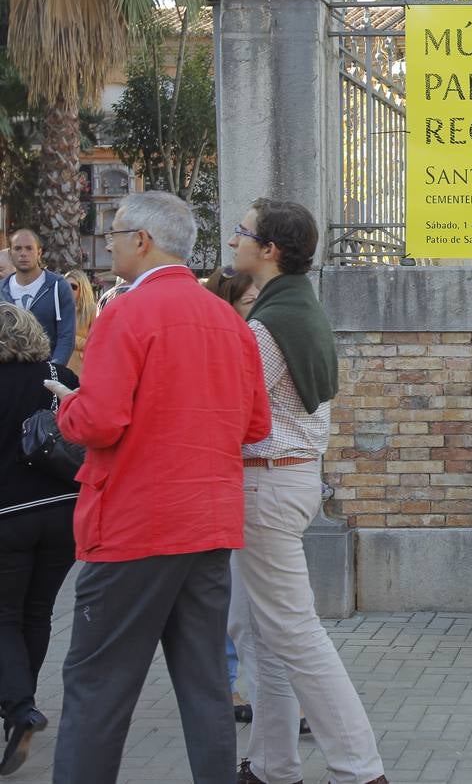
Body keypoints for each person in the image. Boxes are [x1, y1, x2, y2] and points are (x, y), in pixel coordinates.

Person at [45, 191, 271, 784]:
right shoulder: (231, 322)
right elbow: (255, 426)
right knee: (205, 686)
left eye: (116, 233)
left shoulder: (125, 313)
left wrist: (69, 409)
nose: (112, 243)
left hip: (133, 526)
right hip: (207, 524)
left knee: (97, 688)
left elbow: (98, 423)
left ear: (141, 241)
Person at [227, 199, 388, 784]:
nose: (233, 240)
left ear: (269, 250)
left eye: (243, 233)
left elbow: (230, 409)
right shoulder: (294, 305)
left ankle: (360, 769)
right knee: (256, 628)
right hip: (285, 479)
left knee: (293, 632)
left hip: (268, 485)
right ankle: (272, 765)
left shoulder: (268, 326)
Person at [0, 305, 79, 775]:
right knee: (37, 612)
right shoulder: (60, 372)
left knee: (3, 614)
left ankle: (20, 707)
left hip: (7, 516)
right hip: (64, 513)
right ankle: (19, 708)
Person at [202, 266, 260, 725]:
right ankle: (227, 684)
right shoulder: (224, 348)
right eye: (247, 302)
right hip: (221, 482)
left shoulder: (255, 342)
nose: (256, 308)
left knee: (241, 594)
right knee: (226, 591)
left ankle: (241, 683)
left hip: (243, 479)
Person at [0, 229, 75, 366]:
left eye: (29, 248)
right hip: (7, 374)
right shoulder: (2, 289)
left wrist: (54, 371)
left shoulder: (58, 287)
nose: (23, 253)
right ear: (10, 254)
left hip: (45, 372)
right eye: (18, 249)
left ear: (39, 252)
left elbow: (66, 336)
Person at [62, 269, 96, 375]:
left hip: (80, 367)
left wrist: (70, 338)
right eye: (66, 286)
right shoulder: (57, 309)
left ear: (83, 289)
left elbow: (96, 342)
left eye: (74, 286)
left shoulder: (91, 310)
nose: (69, 290)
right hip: (60, 365)